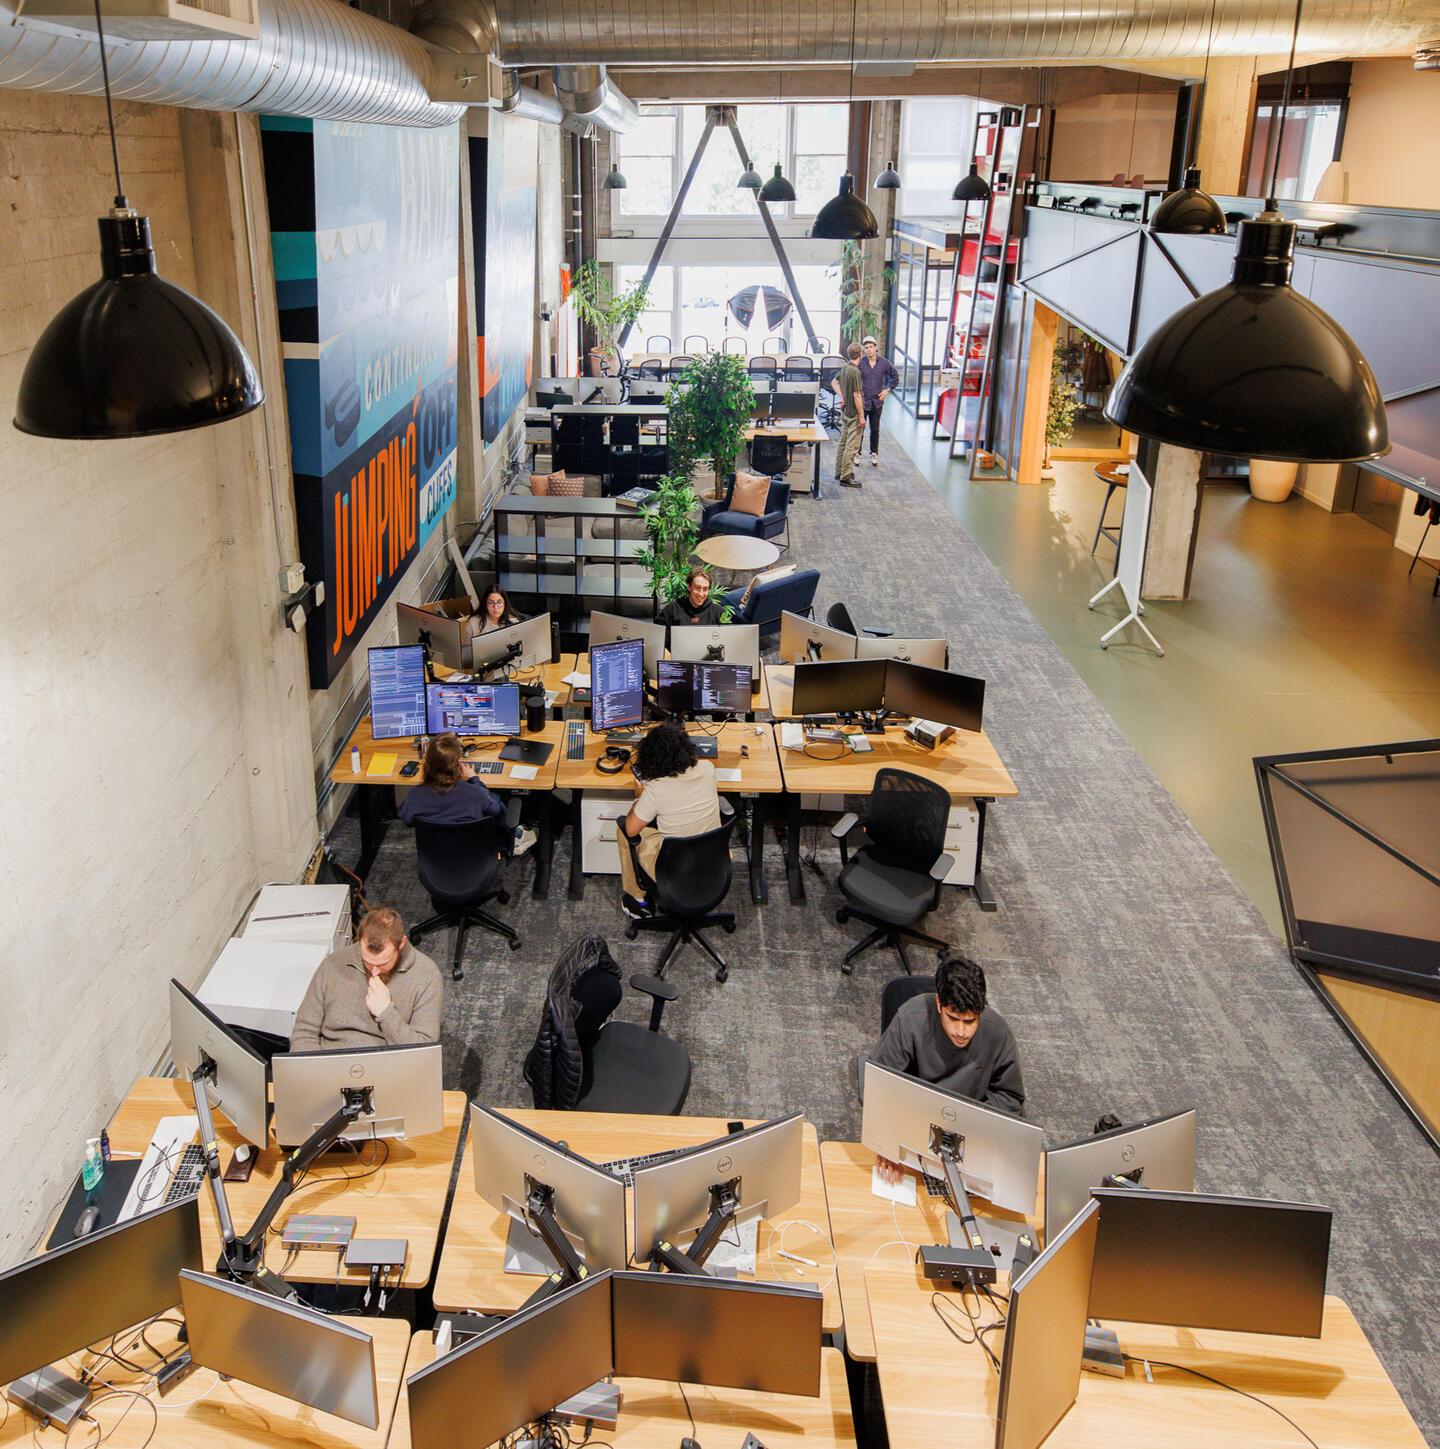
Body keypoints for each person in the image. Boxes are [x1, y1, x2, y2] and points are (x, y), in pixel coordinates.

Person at [869, 955, 1025, 1183]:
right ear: (938, 1003)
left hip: (970, 1137)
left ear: (981, 1011)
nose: (961, 1031)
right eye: (953, 1018)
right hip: (912, 1128)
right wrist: (887, 1142)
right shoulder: (910, 1019)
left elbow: (1010, 1098)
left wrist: (976, 1134)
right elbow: (879, 1083)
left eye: (970, 1021)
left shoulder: (998, 1034)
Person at [289, 907, 442, 1051]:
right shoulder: (333, 964)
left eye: (383, 964)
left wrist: (386, 1013)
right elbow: (304, 1032)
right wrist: (317, 1067)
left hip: (389, 1062)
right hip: (331, 1060)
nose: (374, 972)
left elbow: (424, 1051)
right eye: (367, 962)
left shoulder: (426, 975)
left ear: (401, 944)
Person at [617, 720, 722, 919]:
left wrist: (640, 797)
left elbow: (631, 829)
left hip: (675, 874)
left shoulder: (656, 790)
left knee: (623, 829)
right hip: (712, 864)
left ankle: (637, 900)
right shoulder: (708, 768)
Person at [399, 731, 536, 852]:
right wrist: (474, 780)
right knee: (496, 799)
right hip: (475, 858)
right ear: (457, 766)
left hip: (434, 859)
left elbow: (407, 820)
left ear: (427, 764)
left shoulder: (414, 796)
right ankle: (515, 837)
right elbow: (496, 812)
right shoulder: (475, 793)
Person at [857, 335, 899, 468]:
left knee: (875, 429)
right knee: (860, 429)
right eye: (866, 348)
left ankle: (873, 453)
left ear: (876, 348)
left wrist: (887, 390)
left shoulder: (884, 363)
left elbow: (895, 377)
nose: (869, 350)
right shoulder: (860, 363)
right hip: (863, 401)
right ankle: (857, 453)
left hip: (877, 402)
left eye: (871, 347)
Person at [832, 342, 864, 488]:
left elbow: (834, 382)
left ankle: (839, 471)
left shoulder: (845, 368)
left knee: (843, 443)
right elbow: (857, 395)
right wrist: (862, 416)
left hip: (844, 412)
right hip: (853, 413)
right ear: (860, 355)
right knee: (852, 446)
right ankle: (846, 476)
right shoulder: (855, 372)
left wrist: (842, 396)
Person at [656, 566, 725, 631]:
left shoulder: (718, 613)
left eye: (705, 589)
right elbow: (659, 635)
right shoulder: (672, 610)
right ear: (689, 587)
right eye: (697, 588)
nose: (701, 594)